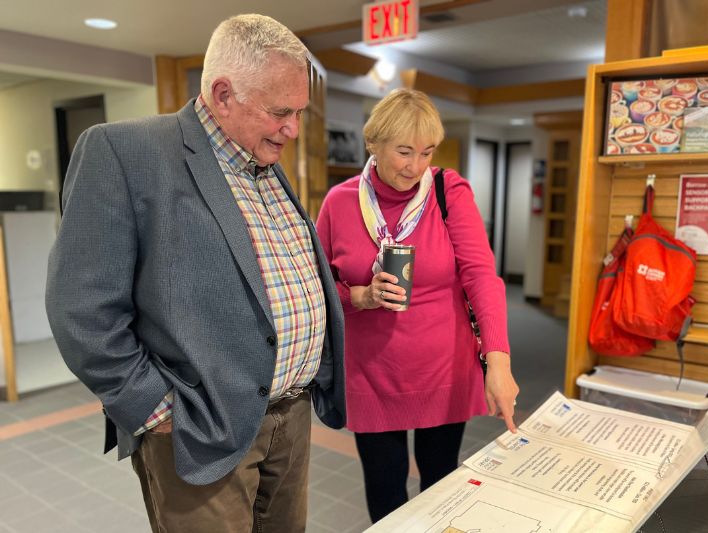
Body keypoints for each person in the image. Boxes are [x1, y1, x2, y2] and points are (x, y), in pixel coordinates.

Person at [45, 14, 344, 533]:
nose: (293, 129)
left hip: (290, 419)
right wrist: (154, 410)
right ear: (224, 94)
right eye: (281, 112)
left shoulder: (262, 159)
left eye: (298, 112)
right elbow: (80, 308)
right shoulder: (123, 151)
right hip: (198, 427)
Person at [315, 88, 519, 523]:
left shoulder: (449, 192)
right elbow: (315, 285)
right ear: (373, 144)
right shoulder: (340, 202)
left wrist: (498, 362)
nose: (416, 167)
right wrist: (361, 296)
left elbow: (481, 276)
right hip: (371, 373)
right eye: (404, 152)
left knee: (440, 487)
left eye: (427, 152)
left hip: (443, 367)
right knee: (385, 492)